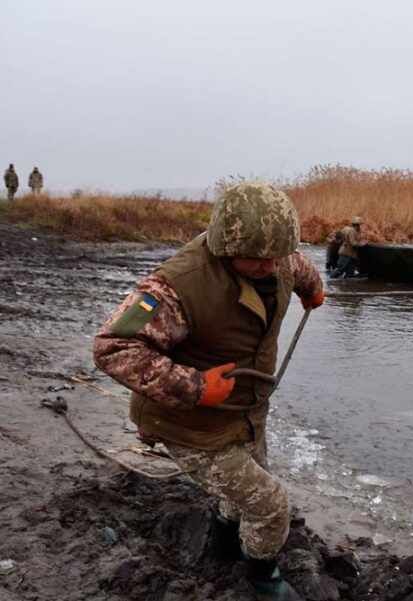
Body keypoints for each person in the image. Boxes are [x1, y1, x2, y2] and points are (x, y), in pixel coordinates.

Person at [93, 181, 325, 601]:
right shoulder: (176, 286)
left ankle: (221, 545)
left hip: (245, 412)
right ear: (225, 245)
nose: (270, 266)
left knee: (243, 494)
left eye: (277, 255)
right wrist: (196, 386)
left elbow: (297, 265)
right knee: (270, 504)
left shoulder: (275, 255)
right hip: (189, 423)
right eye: (256, 259)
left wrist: (313, 289)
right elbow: (112, 347)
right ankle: (262, 579)